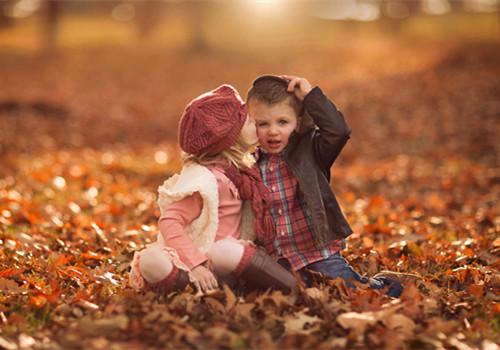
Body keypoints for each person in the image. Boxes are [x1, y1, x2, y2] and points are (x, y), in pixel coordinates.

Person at [246, 75, 413, 297]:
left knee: (349, 290)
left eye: (282, 122)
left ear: (297, 121)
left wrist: (310, 96)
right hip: (280, 258)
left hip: (318, 252)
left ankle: (383, 284)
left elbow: (339, 132)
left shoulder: (311, 151)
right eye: (262, 124)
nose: (273, 131)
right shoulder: (249, 165)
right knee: (287, 293)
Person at [129, 84, 296, 294]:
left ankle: (290, 286)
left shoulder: (242, 172)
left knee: (224, 251)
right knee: (151, 260)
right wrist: (196, 264)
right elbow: (170, 221)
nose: (256, 122)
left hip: (226, 260)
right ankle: (192, 286)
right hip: (195, 259)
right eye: (249, 121)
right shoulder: (205, 180)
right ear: (229, 138)